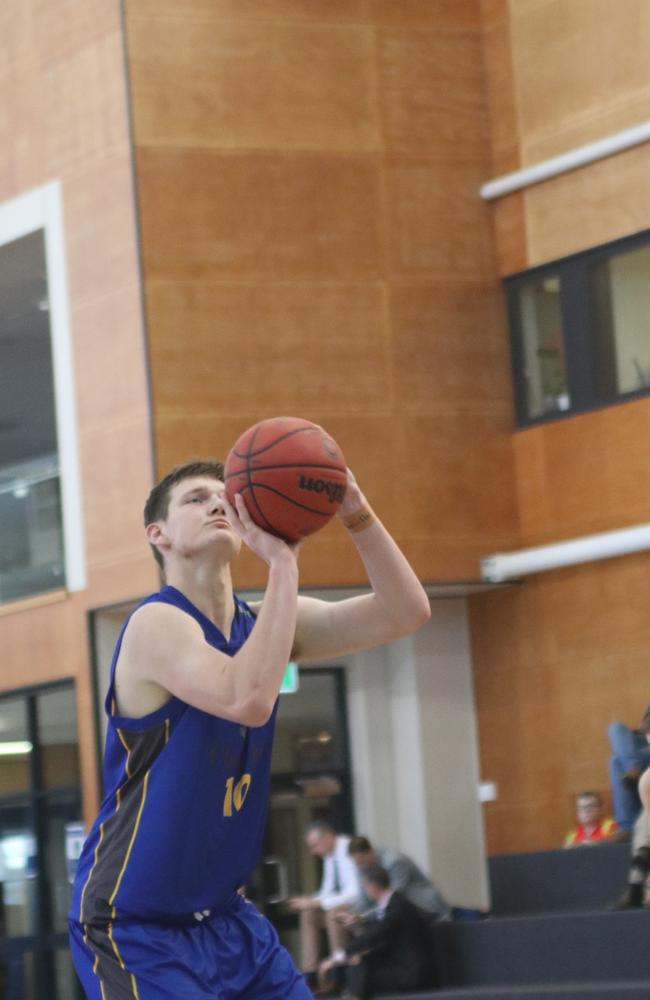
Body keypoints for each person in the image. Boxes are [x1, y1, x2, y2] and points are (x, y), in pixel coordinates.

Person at [68, 458, 431, 999]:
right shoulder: (154, 624)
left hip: (229, 922)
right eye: (195, 498)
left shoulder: (262, 623)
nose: (217, 502)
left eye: (225, 495)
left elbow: (404, 612)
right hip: (136, 925)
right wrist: (283, 564)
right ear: (157, 534)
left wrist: (356, 512)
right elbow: (248, 697)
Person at [319, 865, 432, 1000]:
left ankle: (350, 995)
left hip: (410, 974)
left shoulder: (397, 907)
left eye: (365, 886)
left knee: (359, 967)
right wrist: (359, 951)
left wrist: (337, 957)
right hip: (396, 964)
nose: (365, 890)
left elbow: (376, 935)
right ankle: (347, 993)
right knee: (358, 962)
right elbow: (383, 938)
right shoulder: (392, 903)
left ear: (373, 886)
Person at [287, 823, 361, 990]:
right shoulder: (329, 856)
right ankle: (310, 974)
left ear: (328, 837)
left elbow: (354, 893)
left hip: (359, 906)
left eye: (315, 845)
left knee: (332, 913)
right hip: (341, 905)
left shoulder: (349, 848)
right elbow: (327, 891)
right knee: (309, 913)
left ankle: (339, 970)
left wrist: (318, 902)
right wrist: (309, 900)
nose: (313, 852)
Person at [348, 835, 451, 921]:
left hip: (425, 907)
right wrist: (351, 915)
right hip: (401, 910)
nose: (360, 867)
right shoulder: (361, 868)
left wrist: (363, 917)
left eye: (362, 862)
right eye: (356, 864)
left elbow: (392, 899)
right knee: (355, 925)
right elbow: (364, 899)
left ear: (371, 851)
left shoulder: (394, 862)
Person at [608, 706, 650, 832]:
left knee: (615, 761)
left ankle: (626, 826)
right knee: (615, 727)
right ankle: (633, 766)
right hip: (639, 743)